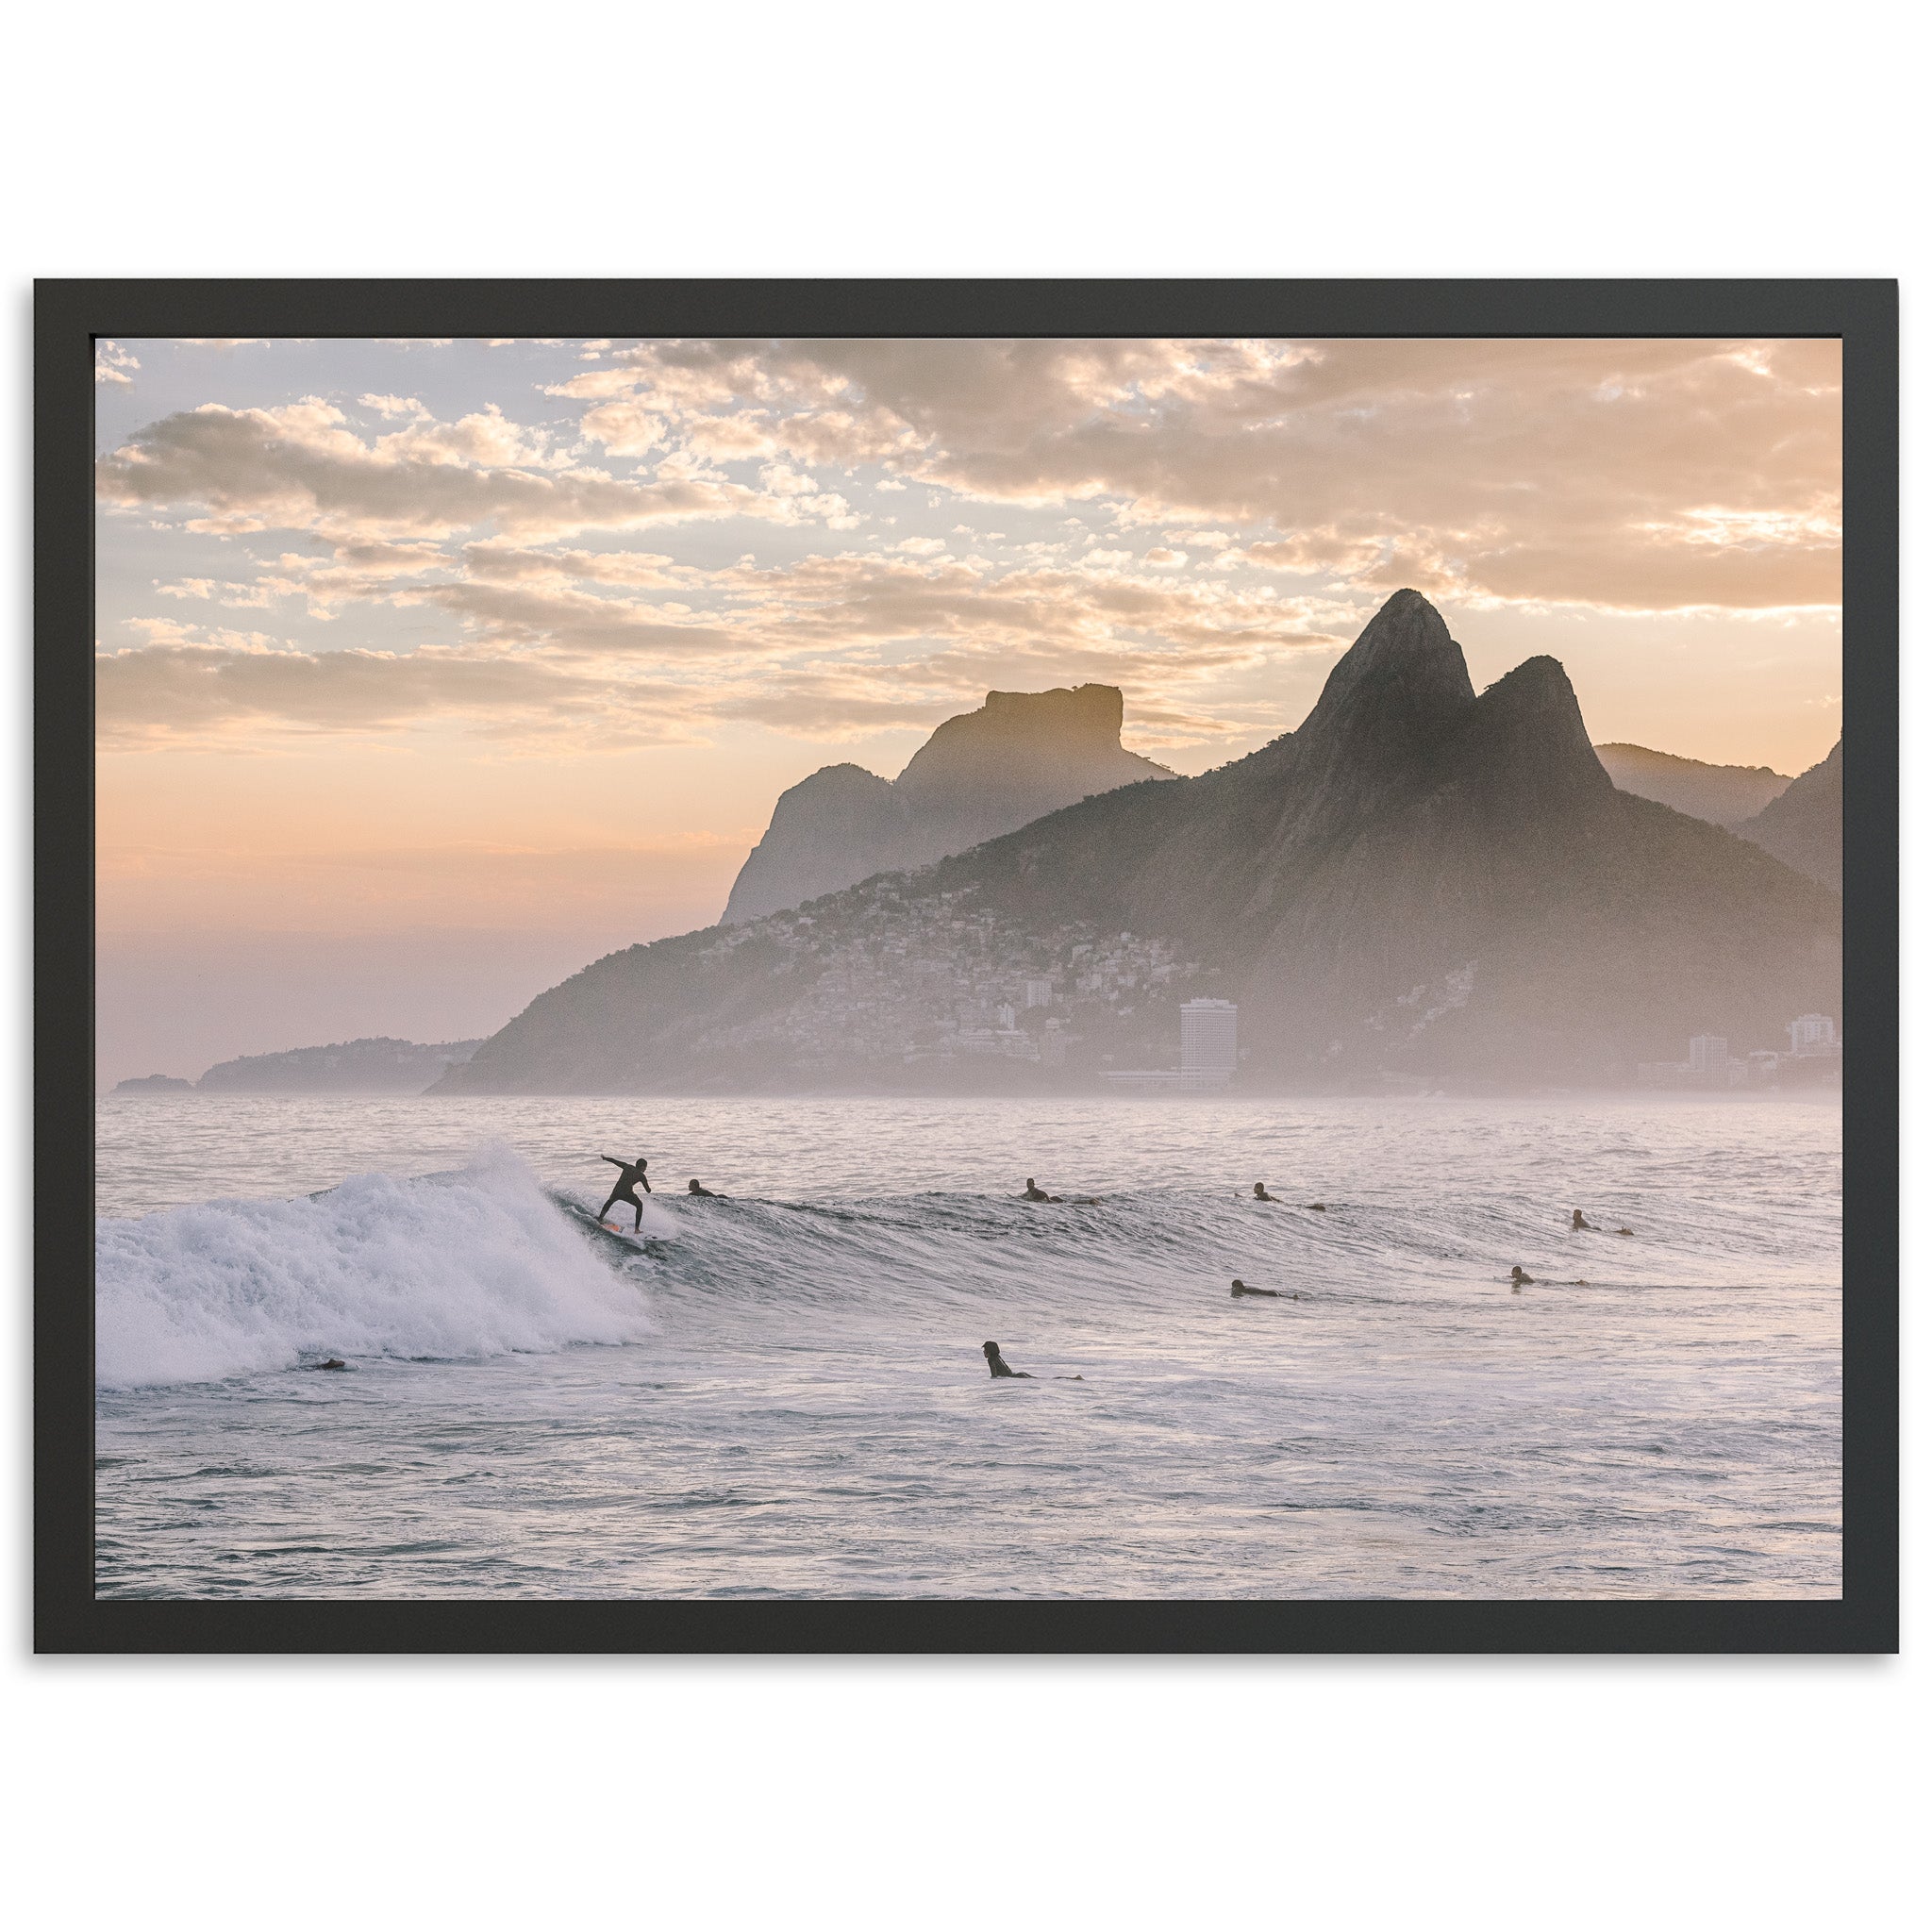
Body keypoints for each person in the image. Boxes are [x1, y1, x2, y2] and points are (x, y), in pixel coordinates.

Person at [597, 1153, 650, 1230]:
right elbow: (648, 1190)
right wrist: (648, 1186)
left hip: (617, 1190)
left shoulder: (627, 1166)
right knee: (639, 1205)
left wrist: (605, 1158)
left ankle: (600, 1218)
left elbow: (614, 1161)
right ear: (642, 1167)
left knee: (610, 1202)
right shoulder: (642, 1176)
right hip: (627, 1193)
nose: (645, 1169)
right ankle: (636, 1229)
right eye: (645, 1167)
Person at [982, 1341, 1083, 1380]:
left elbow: (994, 1376)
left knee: (1046, 1380)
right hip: (1019, 1374)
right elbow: (1007, 1370)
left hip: (1017, 1377)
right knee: (1046, 1379)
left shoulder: (991, 1360)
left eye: (985, 1350)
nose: (984, 1352)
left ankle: (1074, 1379)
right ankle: (1073, 1378)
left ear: (989, 1352)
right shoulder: (998, 1357)